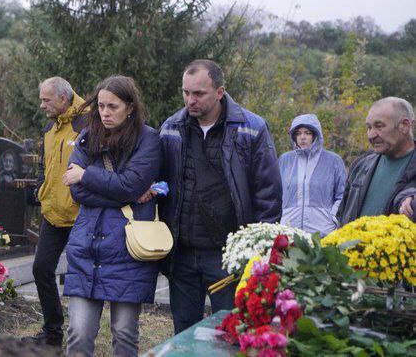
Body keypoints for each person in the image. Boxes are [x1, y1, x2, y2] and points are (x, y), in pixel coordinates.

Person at [158, 59, 282, 334]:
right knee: (184, 334)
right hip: (183, 254)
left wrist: (255, 251)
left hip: (228, 256)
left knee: (233, 332)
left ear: (220, 91)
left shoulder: (251, 128)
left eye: (198, 93)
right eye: (186, 92)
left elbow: (268, 195)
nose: (190, 100)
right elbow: (159, 184)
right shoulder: (171, 128)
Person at [61, 75, 162, 357]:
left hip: (128, 250)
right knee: (78, 335)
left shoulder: (148, 139)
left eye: (112, 106)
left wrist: (88, 175)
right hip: (87, 247)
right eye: (101, 106)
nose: (105, 113)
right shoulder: (87, 137)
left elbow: (131, 184)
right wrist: (124, 194)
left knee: (125, 333)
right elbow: (77, 191)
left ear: (130, 107)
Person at [23, 76, 87, 347]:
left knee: (79, 279)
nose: (41, 105)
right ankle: (52, 334)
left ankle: (81, 335)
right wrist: (41, 189)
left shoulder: (87, 124)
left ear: (63, 99)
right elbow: (44, 165)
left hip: (81, 216)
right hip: (52, 214)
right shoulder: (50, 127)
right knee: (41, 269)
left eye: (46, 100)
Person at [336, 97, 415, 225]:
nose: (371, 135)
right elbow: (342, 216)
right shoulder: (361, 166)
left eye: (379, 126)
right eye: (369, 127)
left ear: (404, 126)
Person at [278, 114, 347, 236]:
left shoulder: (333, 161)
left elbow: (342, 195)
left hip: (323, 232)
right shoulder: (285, 160)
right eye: (298, 133)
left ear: (315, 135)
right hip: (289, 232)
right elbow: (275, 194)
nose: (302, 137)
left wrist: (332, 219)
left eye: (307, 133)